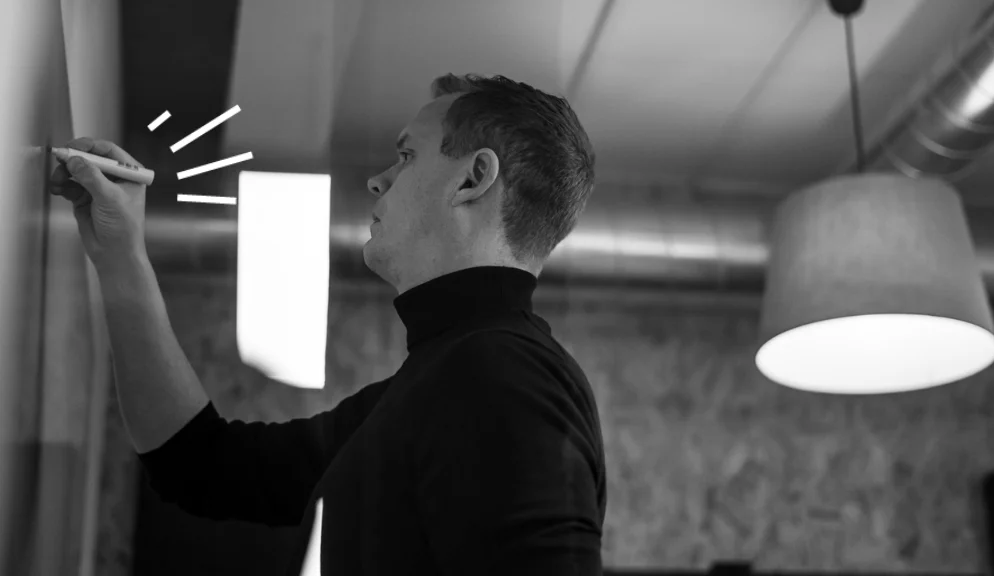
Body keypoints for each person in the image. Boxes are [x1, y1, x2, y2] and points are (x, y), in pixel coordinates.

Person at [49, 73, 606, 576]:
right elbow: (201, 468)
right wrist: (121, 257)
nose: (377, 181)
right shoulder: (438, 383)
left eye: (407, 156)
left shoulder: (504, 377)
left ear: (473, 178)